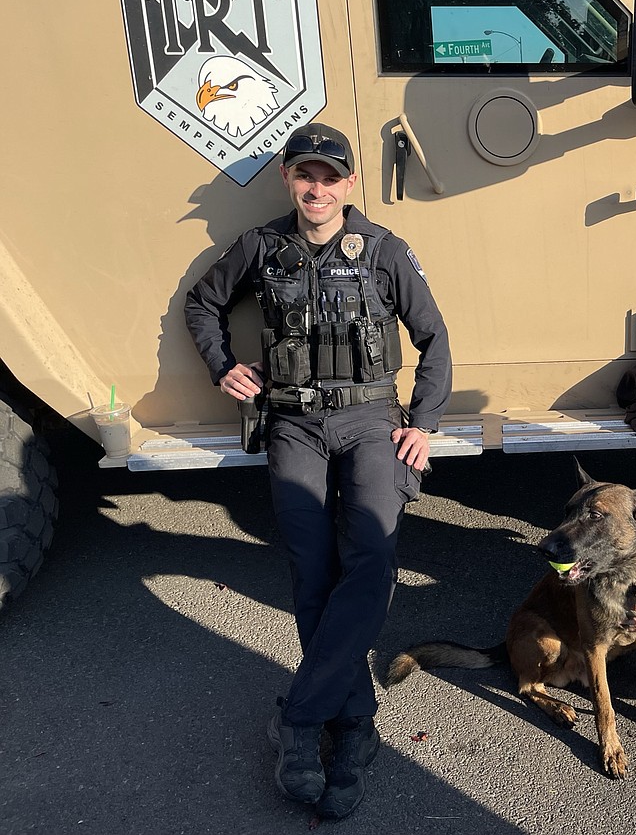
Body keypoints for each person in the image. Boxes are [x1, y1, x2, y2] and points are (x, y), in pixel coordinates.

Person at [185, 122, 452, 817]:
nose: (317, 187)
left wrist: (423, 422)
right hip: (294, 422)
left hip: (370, 419)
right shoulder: (261, 246)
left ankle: (301, 719)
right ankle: (356, 721)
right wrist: (223, 367)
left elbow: (435, 337)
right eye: (306, 174)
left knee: (370, 560)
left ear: (349, 184)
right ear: (287, 177)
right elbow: (201, 303)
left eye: (330, 176)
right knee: (311, 567)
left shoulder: (385, 250)